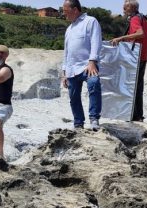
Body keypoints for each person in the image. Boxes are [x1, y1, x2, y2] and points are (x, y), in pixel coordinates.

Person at [61, 0, 102, 131]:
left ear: (75, 10)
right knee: (73, 97)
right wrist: (64, 73)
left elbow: (96, 41)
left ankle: (94, 119)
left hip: (88, 65)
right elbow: (66, 51)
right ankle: (78, 123)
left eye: (66, 11)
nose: (64, 14)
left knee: (94, 83)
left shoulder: (90, 21)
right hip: (72, 68)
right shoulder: (69, 28)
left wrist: (92, 61)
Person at [111, 0, 147, 121]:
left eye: (125, 7)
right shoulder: (144, 19)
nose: (123, 9)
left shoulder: (135, 19)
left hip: (136, 58)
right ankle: (138, 116)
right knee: (138, 88)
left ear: (132, 8)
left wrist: (121, 38)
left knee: (131, 87)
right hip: (142, 57)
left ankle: (133, 115)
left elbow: (140, 33)